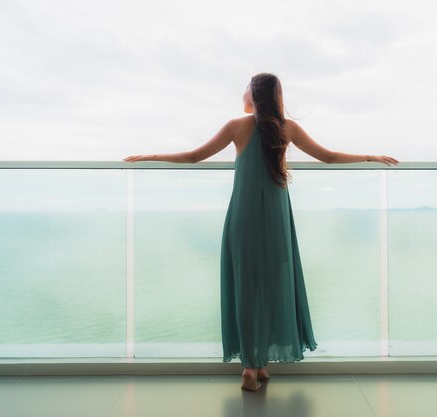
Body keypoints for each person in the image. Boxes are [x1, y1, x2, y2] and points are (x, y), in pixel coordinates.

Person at [123, 73, 399, 391]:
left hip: (243, 215)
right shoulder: (288, 128)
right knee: (272, 285)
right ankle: (259, 363)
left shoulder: (236, 126)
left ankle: (251, 367)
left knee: (245, 287)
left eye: (245, 89)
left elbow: (193, 157)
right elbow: (329, 157)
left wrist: (150, 155)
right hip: (276, 218)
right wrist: (370, 156)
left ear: (253, 95)